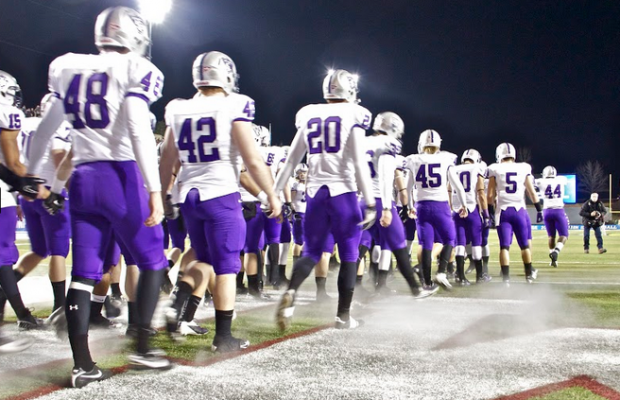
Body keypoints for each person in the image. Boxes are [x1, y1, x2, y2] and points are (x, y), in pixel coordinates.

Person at [27, 7, 171, 387]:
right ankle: (142, 346)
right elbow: (140, 129)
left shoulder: (68, 67)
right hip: (119, 174)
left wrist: (32, 177)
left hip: (83, 178)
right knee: (154, 258)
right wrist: (154, 190)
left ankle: (82, 366)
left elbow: (46, 130)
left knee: (84, 272)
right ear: (137, 36)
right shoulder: (134, 69)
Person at [160, 51, 281, 351]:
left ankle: (178, 299)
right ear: (226, 75)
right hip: (220, 195)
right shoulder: (234, 104)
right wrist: (269, 194)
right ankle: (223, 337)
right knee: (227, 268)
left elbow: (167, 160)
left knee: (204, 259)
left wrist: (163, 193)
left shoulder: (179, 108)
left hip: (189, 196)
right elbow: (252, 160)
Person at [275, 69, 376, 330]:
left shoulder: (309, 113)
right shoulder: (353, 114)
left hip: (315, 195)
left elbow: (291, 160)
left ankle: (293, 292)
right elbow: (359, 162)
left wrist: (274, 191)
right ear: (350, 91)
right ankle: (343, 315)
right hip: (343, 192)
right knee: (350, 255)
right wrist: (371, 200)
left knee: (311, 251)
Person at [365, 112, 436, 298]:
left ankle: (353, 293)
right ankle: (415, 288)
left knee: (358, 249)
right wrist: (394, 207)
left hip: (361, 200)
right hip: (382, 200)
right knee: (398, 243)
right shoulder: (389, 146)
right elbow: (393, 180)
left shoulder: (362, 142)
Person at [0, 70, 38, 353]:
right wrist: (31, 188)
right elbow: (13, 163)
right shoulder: (8, 113)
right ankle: (21, 316)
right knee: (2, 261)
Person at [404, 129, 467, 290]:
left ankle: (426, 282)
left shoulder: (414, 160)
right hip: (441, 205)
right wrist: (464, 204)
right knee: (450, 239)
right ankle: (441, 272)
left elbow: (408, 186)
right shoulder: (446, 158)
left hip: (422, 206)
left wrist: (410, 207)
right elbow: (457, 186)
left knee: (426, 243)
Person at [487, 143, 542, 285]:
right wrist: (539, 209)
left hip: (503, 212)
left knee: (504, 247)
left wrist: (489, 212)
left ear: (499, 155)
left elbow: (491, 194)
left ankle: (506, 279)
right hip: (520, 211)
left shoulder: (495, 168)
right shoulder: (523, 167)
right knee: (524, 246)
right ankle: (529, 275)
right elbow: (531, 191)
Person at [449, 149, 491, 284]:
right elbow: (481, 193)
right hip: (471, 209)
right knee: (476, 243)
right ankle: (480, 275)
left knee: (460, 243)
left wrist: (451, 208)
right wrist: (486, 214)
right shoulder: (477, 168)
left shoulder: (454, 169)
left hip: (456, 210)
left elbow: (448, 190)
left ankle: (460, 276)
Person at [535, 166, 570, 266]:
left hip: (546, 211)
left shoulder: (540, 181)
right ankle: (556, 252)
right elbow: (563, 181)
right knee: (564, 235)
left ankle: (553, 260)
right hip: (558, 210)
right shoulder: (561, 179)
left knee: (551, 236)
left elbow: (531, 182)